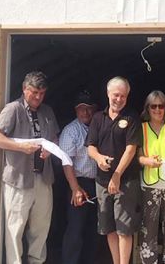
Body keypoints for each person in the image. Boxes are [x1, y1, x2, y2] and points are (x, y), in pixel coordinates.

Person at [0, 71, 59, 264]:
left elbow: (54, 137)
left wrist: (50, 150)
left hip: (43, 178)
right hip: (18, 179)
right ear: (24, 89)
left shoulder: (47, 111)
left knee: (41, 226)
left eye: (42, 93)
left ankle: (36, 261)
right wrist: (21, 147)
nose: (38, 97)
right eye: (34, 92)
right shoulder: (13, 109)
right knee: (15, 227)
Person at [86, 76, 142, 264]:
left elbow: (131, 149)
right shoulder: (97, 118)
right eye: (116, 95)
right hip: (102, 181)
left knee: (124, 228)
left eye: (123, 96)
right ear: (108, 94)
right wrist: (99, 158)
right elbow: (90, 146)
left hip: (125, 181)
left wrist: (117, 175)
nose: (119, 99)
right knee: (108, 227)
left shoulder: (132, 117)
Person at [138, 90, 165, 264]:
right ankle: (149, 261)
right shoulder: (141, 128)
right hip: (149, 184)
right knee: (149, 227)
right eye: (153, 106)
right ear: (147, 108)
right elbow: (138, 156)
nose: (157, 109)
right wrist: (148, 161)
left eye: (161, 106)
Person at [60, 91, 98, 264]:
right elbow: (67, 163)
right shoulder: (71, 131)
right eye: (81, 109)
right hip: (78, 183)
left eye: (89, 109)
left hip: (98, 184)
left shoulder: (100, 126)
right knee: (75, 230)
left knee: (94, 230)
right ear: (76, 110)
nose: (85, 113)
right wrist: (75, 189)